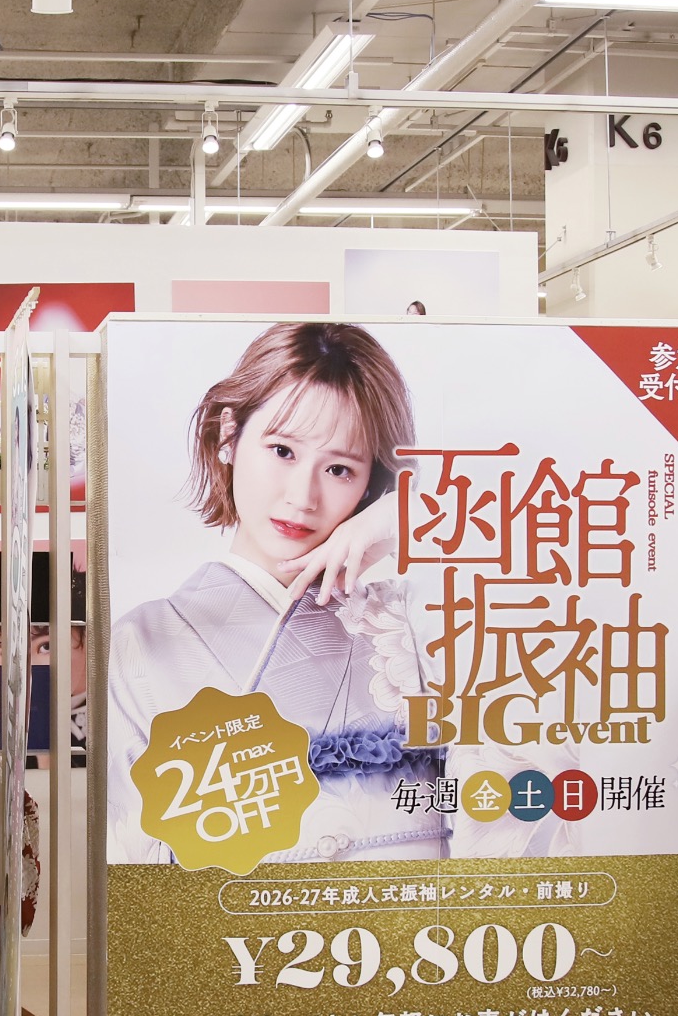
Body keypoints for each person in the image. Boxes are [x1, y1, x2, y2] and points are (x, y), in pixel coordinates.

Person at [107, 322, 445, 862]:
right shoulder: (142, 641)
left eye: (340, 469)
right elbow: (135, 864)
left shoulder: (408, 624)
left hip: (407, 914)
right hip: (233, 918)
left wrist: (410, 516)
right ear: (229, 435)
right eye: (283, 450)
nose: (303, 496)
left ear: (372, 485)